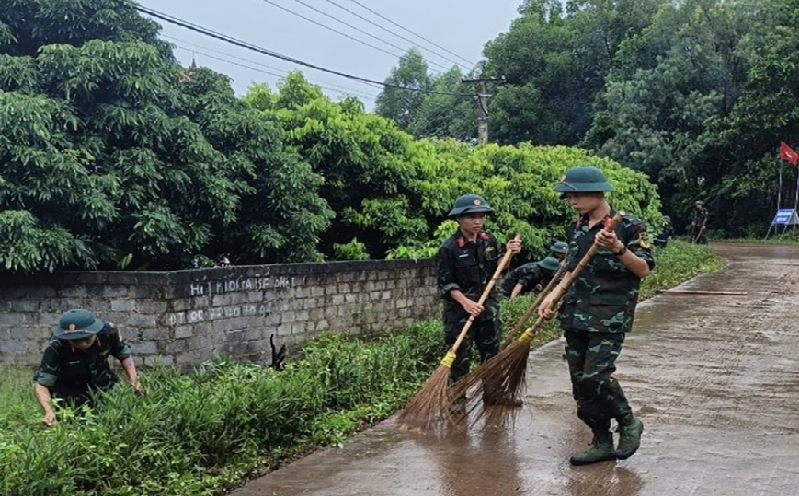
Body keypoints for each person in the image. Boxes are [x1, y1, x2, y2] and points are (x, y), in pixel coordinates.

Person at [538, 165, 655, 466]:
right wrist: (553, 295)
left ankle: (628, 421)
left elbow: (642, 269)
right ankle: (601, 440)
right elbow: (571, 270)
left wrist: (617, 248)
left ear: (598, 192)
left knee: (597, 376)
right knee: (580, 384)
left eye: (577, 194)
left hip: (608, 315)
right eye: (568, 196)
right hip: (575, 313)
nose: (571, 200)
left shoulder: (628, 226)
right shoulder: (576, 227)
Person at [438, 194, 522, 408]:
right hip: (460, 313)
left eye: (481, 216)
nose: (477, 221)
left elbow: (496, 271)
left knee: (492, 354)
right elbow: (446, 285)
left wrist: (510, 255)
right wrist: (466, 302)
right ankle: (456, 398)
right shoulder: (449, 248)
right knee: (459, 357)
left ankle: (493, 394)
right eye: (471, 217)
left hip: (488, 309)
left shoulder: (488, 241)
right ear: (459, 219)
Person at [33, 309, 142, 426]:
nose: (83, 343)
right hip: (70, 389)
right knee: (73, 423)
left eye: (87, 338)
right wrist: (48, 411)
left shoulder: (108, 333)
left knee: (118, 418)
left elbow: (124, 355)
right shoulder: (56, 346)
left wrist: (134, 381)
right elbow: (42, 383)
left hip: (103, 384)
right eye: (76, 340)